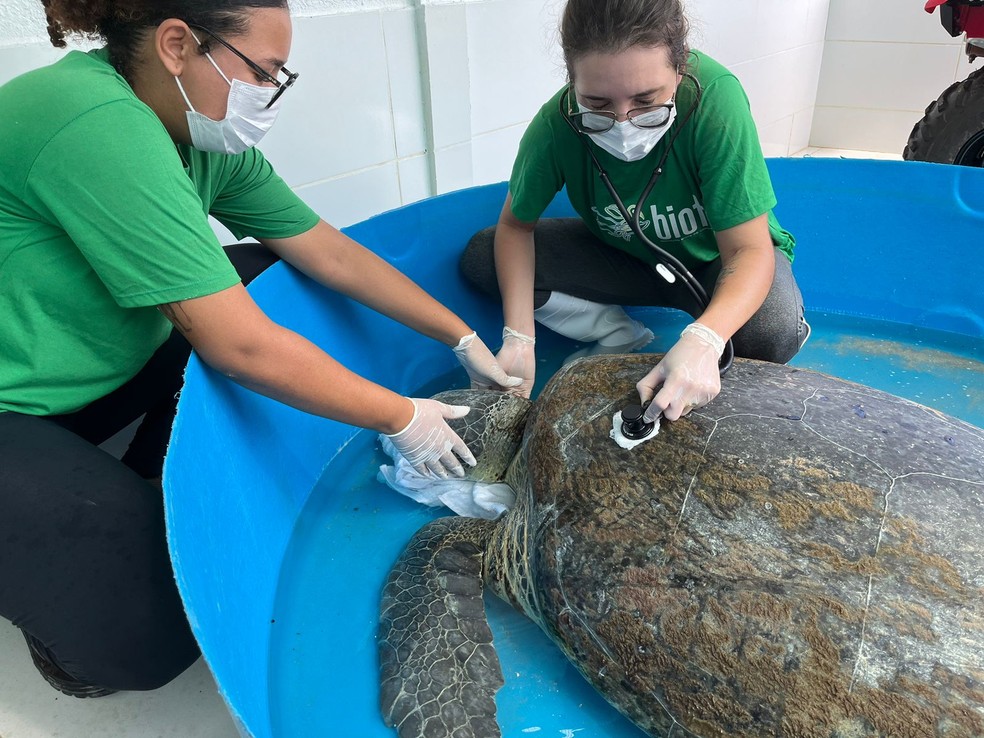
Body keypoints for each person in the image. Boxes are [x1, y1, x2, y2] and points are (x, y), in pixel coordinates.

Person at [0, 0, 521, 697]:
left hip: (89, 366)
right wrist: (403, 416)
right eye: (262, 73)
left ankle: (136, 483)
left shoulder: (200, 140)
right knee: (150, 635)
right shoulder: (92, 120)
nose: (269, 96)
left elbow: (329, 254)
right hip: (14, 401)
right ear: (178, 46)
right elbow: (239, 345)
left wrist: (460, 334)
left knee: (264, 281)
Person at [460, 0, 810, 418]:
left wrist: (705, 339)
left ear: (680, 69)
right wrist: (519, 337)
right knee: (483, 259)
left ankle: (712, 324)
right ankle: (614, 331)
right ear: (572, 82)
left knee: (769, 334)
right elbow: (515, 229)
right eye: (598, 103)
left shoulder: (715, 99)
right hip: (627, 257)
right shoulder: (558, 123)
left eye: (647, 101)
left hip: (718, 264)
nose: (623, 121)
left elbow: (748, 251)